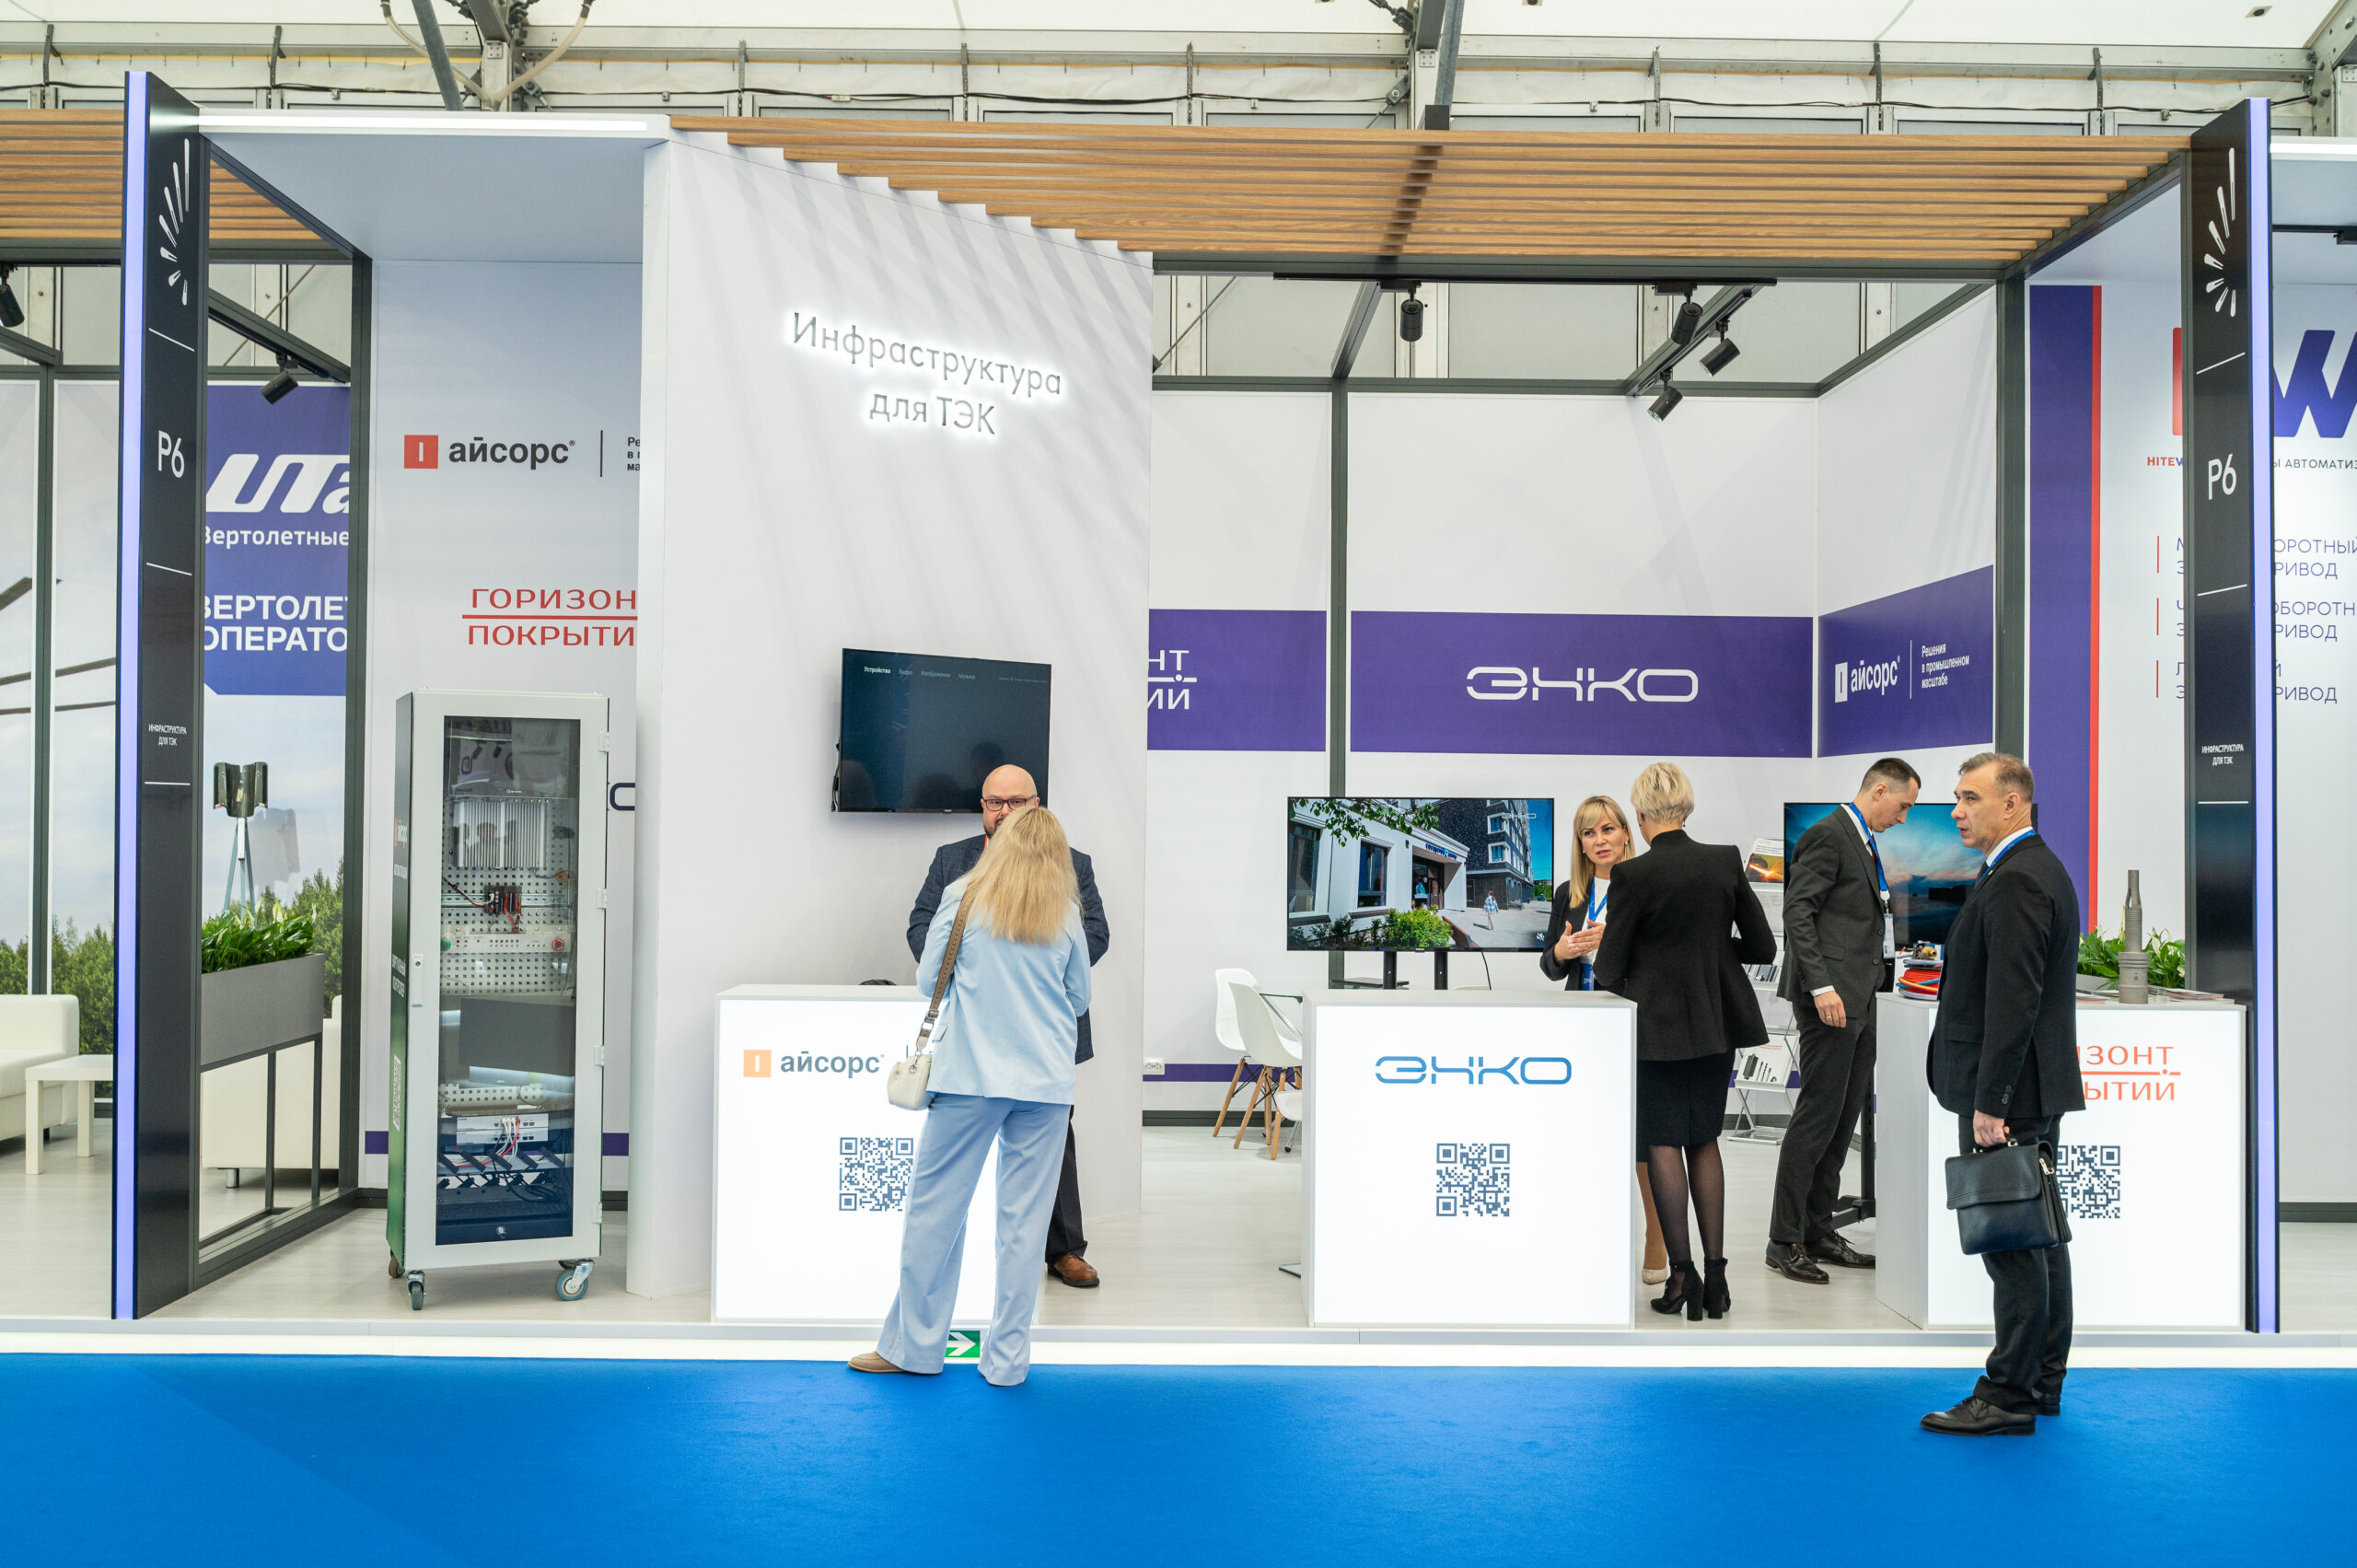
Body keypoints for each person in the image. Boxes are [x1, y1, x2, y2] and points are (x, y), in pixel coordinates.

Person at [854, 806, 1094, 1387]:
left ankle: (915, 1349)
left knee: (935, 1215)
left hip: (969, 1078)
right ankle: (1007, 1363)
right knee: (1025, 1227)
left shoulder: (964, 897)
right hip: (1045, 1084)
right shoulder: (1064, 913)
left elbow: (927, 979)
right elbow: (1079, 998)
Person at [1920, 753, 2084, 1437]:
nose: (1956, 810)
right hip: (2025, 1088)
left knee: (2014, 1244)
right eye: (1957, 797)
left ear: (2012, 803)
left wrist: (1993, 1101)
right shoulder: (2025, 868)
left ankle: (2009, 1394)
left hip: (2010, 1097)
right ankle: (2040, 1381)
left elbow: (2014, 1002)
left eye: (1970, 797)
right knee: (2038, 1236)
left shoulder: (2018, 878)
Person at [907, 764, 1109, 1288]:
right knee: (956, 1209)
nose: (1005, 812)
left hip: (1040, 1050)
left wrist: (1037, 975)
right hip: (980, 1048)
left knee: (1043, 1174)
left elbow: (1095, 935)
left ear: (1035, 805)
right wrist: (971, 972)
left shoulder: (1072, 864)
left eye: (1016, 802)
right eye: (995, 802)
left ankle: (1065, 1250)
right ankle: (998, 1339)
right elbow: (922, 927)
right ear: (983, 807)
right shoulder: (953, 863)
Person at [1592, 762, 1776, 1322]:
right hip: (1716, 1022)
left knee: (1662, 1142)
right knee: (1704, 1139)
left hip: (1657, 1028)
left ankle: (1681, 1277)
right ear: (1687, 808)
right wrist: (1711, 953)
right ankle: (1716, 1279)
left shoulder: (1632, 876)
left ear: (1640, 816)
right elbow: (1763, 948)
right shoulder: (1724, 859)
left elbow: (1608, 970)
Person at [1767, 756, 1921, 1283]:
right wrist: (1821, 986)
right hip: (1831, 1001)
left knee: (1840, 1120)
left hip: (1863, 997)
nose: (1904, 817)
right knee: (1816, 1119)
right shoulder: (1828, 835)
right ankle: (1784, 1239)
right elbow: (1797, 912)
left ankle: (1816, 1229)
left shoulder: (1864, 840)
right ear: (1879, 791)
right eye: (1903, 806)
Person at [1538, 794, 1670, 1286]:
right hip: (1584, 1027)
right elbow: (1551, 968)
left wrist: (1610, 943)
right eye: (1589, 833)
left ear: (1627, 833)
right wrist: (1563, 950)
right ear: (1580, 843)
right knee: (1585, 1137)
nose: (1600, 841)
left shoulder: (1646, 885)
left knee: (1642, 1140)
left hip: (1637, 1025)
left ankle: (1657, 1239)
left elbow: (1662, 960)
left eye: (1608, 829)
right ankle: (1586, 1243)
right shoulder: (1568, 893)